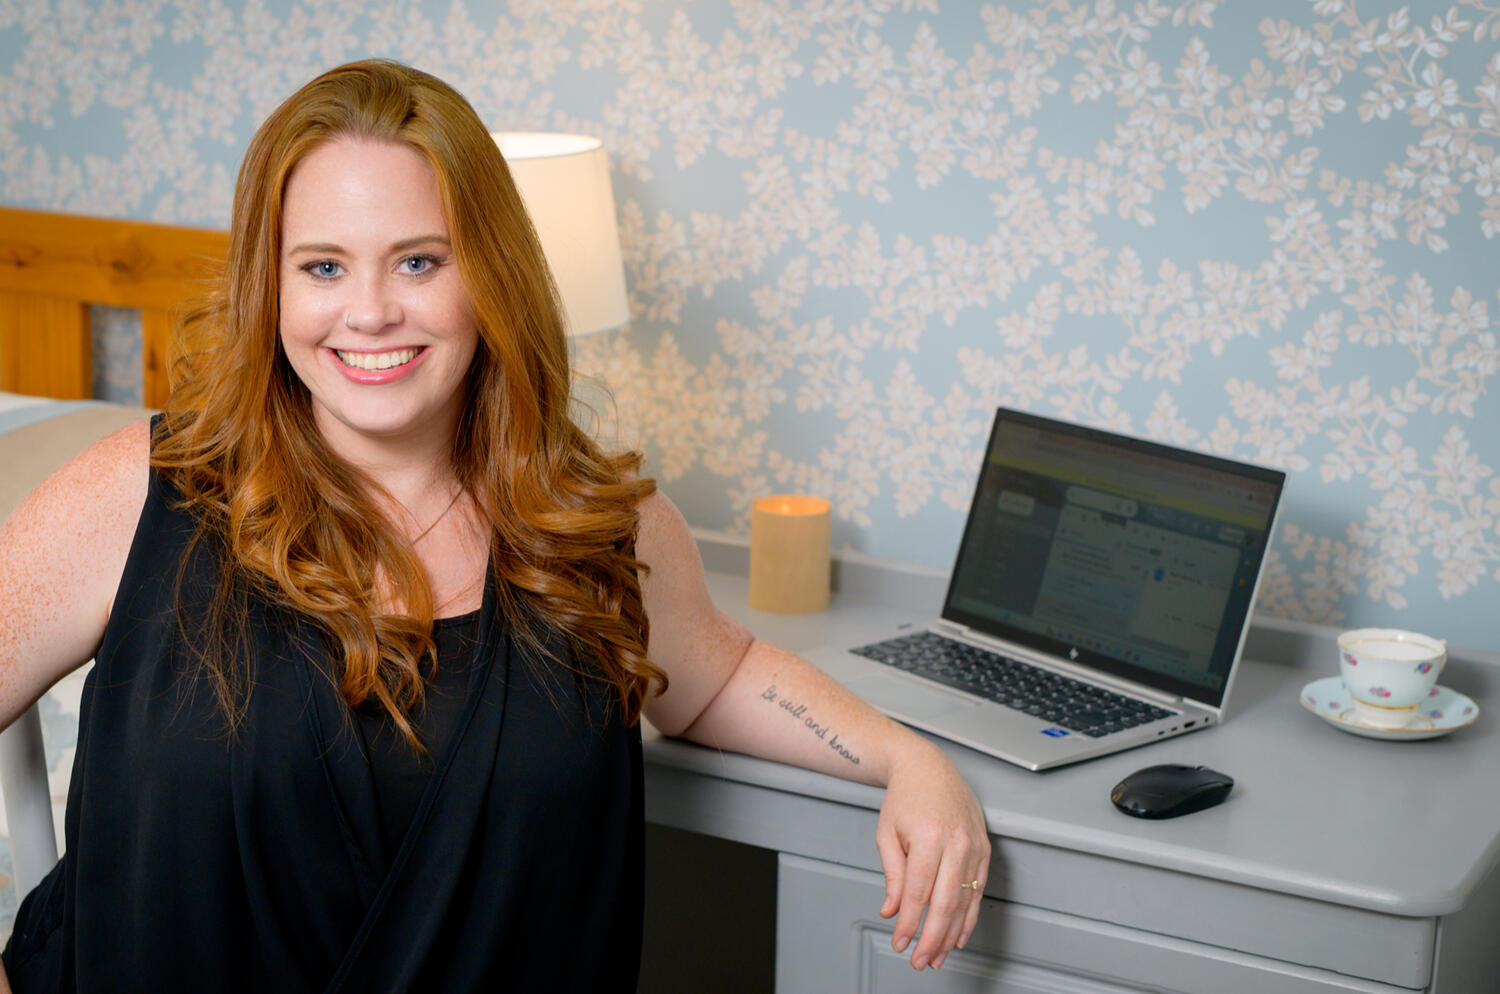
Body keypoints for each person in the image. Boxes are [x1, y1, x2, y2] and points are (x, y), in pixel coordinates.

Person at [0, 60, 988, 991]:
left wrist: (911, 761)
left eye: (420, 260)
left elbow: (717, 673)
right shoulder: (139, 494)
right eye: (324, 267)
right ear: (272, 289)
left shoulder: (600, 525)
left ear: (491, 276)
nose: (373, 311)